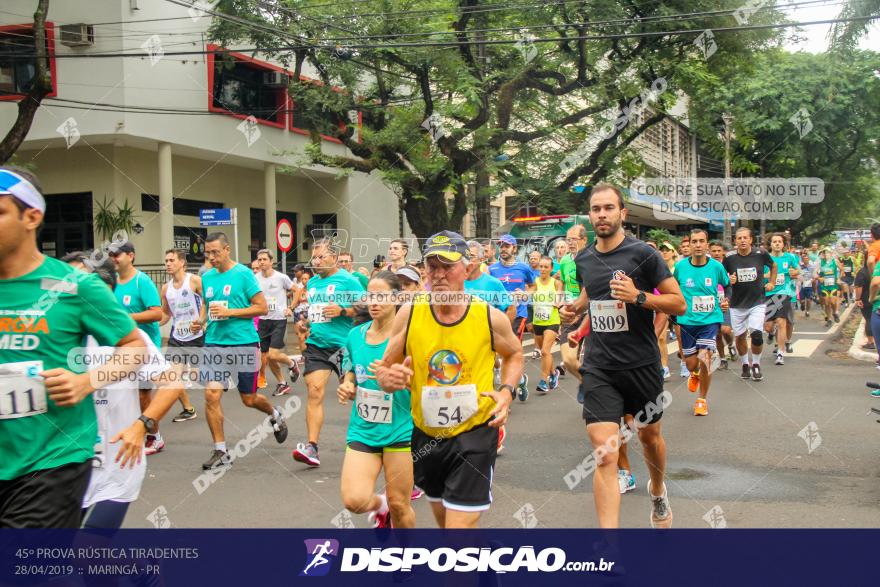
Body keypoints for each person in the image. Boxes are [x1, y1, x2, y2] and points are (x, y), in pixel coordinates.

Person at [0, 166, 145, 528]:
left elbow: (134, 347)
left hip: (49, 461)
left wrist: (87, 381)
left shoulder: (72, 287)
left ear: (31, 216)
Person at [374, 231, 523, 528]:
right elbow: (385, 367)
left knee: (457, 532)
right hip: (426, 435)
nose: (439, 274)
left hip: (475, 432)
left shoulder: (488, 316)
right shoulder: (411, 313)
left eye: (448, 265)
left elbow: (515, 354)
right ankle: (481, 571)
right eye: (433, 266)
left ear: (466, 269)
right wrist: (389, 379)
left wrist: (506, 391)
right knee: (447, 528)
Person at [560, 184, 686, 529]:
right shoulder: (583, 258)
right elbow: (593, 291)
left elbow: (678, 303)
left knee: (649, 437)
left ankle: (658, 490)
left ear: (622, 214)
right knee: (604, 452)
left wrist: (639, 297)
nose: (602, 214)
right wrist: (575, 310)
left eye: (608, 208)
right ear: (590, 215)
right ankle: (610, 545)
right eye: (596, 209)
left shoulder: (643, 255)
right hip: (600, 365)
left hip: (641, 364)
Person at [62, 253, 181, 530]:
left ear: (106, 291)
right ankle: (137, 572)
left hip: (116, 466)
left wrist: (142, 426)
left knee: (88, 552)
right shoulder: (55, 337)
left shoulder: (128, 339)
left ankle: (139, 573)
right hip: (64, 468)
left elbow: (172, 382)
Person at [194, 232, 288, 470]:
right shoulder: (206, 277)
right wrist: (201, 320)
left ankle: (275, 413)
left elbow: (261, 307)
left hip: (243, 342)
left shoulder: (244, 274)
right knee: (211, 395)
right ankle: (220, 450)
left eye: (216, 252)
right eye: (208, 253)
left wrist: (231, 313)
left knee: (249, 399)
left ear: (227, 250)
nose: (212, 257)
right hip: (214, 343)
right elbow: (207, 303)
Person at [337, 271, 415, 529]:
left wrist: (404, 380)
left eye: (381, 296)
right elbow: (352, 370)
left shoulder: (408, 337)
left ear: (396, 298)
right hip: (364, 428)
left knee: (401, 505)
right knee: (354, 501)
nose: (374, 301)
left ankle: (406, 560)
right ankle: (379, 507)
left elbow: (426, 382)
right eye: (370, 296)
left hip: (400, 429)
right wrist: (348, 384)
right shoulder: (355, 335)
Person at [292, 238, 365, 468]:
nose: (316, 261)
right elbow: (315, 313)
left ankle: (364, 441)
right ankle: (312, 446)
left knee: (355, 394)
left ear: (333, 257)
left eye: (321, 256)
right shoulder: (312, 284)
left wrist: (343, 310)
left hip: (345, 346)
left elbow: (367, 307)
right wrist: (307, 323)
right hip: (318, 346)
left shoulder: (348, 280)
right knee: (314, 391)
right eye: (314, 257)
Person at [108, 240, 166, 455]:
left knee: (143, 394)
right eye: (111, 255)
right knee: (123, 394)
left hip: (145, 348)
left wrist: (127, 318)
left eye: (118, 255)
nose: (113, 259)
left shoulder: (143, 281)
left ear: (131, 256)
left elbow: (157, 313)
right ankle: (129, 432)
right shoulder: (111, 283)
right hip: (120, 347)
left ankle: (155, 437)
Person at [674, 229, 729, 416]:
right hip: (687, 320)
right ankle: (694, 374)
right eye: (694, 241)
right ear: (689, 245)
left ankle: (702, 399)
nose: (698, 245)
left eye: (701, 241)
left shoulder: (716, 267)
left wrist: (725, 300)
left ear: (707, 245)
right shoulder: (680, 267)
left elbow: (728, 285)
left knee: (706, 357)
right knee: (691, 364)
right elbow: (672, 290)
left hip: (710, 320)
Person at [722, 227, 777, 382]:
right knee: (739, 336)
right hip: (736, 304)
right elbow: (722, 277)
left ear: (751, 240)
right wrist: (729, 280)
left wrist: (772, 282)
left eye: (745, 238)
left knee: (756, 334)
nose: (742, 241)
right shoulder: (729, 257)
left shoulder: (761, 254)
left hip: (757, 302)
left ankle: (756, 364)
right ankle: (745, 364)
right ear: (735, 241)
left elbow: (773, 266)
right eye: (739, 238)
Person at [159, 248, 200, 422]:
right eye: (166, 261)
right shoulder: (165, 288)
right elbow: (166, 314)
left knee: (198, 377)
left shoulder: (195, 281)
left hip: (198, 336)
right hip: (177, 337)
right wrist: (149, 324)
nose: (168, 264)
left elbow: (208, 301)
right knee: (173, 377)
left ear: (182, 262)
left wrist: (202, 321)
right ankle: (188, 409)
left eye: (171, 260)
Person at [254, 249, 300, 396]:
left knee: (273, 355)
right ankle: (282, 383)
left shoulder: (281, 277)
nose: (261, 262)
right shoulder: (255, 278)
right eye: (259, 259)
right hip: (263, 320)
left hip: (278, 320)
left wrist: (291, 308)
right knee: (266, 357)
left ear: (271, 261)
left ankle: (292, 364)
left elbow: (297, 290)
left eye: (264, 259)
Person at [558, 225, 589, 400]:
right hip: (569, 313)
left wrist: (580, 307)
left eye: (574, 240)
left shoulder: (591, 259)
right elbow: (562, 282)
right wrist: (559, 303)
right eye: (568, 239)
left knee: (593, 361)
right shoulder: (565, 261)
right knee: (569, 360)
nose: (570, 243)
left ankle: (595, 388)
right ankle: (587, 382)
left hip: (589, 314)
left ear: (584, 240)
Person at [763, 233, 799, 365]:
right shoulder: (766, 258)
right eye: (774, 241)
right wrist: (773, 274)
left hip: (785, 293)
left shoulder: (789, 257)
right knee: (768, 326)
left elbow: (797, 271)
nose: (777, 243)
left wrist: (791, 272)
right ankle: (771, 333)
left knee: (781, 322)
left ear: (783, 244)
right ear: (770, 244)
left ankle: (780, 353)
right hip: (768, 294)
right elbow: (763, 274)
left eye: (779, 241)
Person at [532, 256, 564, 394]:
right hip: (537, 321)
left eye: (546, 267)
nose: (543, 269)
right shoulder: (535, 282)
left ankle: (543, 381)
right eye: (541, 266)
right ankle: (553, 373)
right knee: (545, 354)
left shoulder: (556, 283)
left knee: (545, 351)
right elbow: (529, 293)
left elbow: (561, 297)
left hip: (552, 321)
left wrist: (558, 302)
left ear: (551, 268)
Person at [709, 241, 736, 368]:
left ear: (723, 252)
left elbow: (735, 281)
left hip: (726, 301)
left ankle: (731, 344)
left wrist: (734, 281)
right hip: (711, 304)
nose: (716, 253)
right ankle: (723, 358)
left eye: (719, 251)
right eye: (714, 251)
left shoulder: (728, 266)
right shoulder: (707, 266)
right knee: (718, 333)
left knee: (725, 330)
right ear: (709, 252)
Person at [818, 247, 843, 328]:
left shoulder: (835, 261)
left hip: (833, 285)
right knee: (826, 303)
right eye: (824, 253)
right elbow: (814, 273)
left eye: (827, 253)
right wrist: (819, 278)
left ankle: (835, 313)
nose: (826, 254)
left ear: (831, 253)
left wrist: (839, 278)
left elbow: (842, 270)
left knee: (832, 301)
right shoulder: (820, 262)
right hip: (824, 286)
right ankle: (829, 319)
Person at [854, 262, 875, 351]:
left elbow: (859, 286)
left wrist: (858, 299)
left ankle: (870, 342)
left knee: (869, 319)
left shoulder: (863, 272)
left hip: (867, 299)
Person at [799, 251, 817, 317]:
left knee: (809, 300)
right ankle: (802, 305)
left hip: (809, 286)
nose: (805, 260)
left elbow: (815, 276)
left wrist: (812, 281)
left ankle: (807, 311)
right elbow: (797, 275)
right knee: (802, 301)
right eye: (804, 259)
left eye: (807, 259)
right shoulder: (800, 267)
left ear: (809, 260)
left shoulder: (812, 267)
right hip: (801, 286)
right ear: (802, 260)